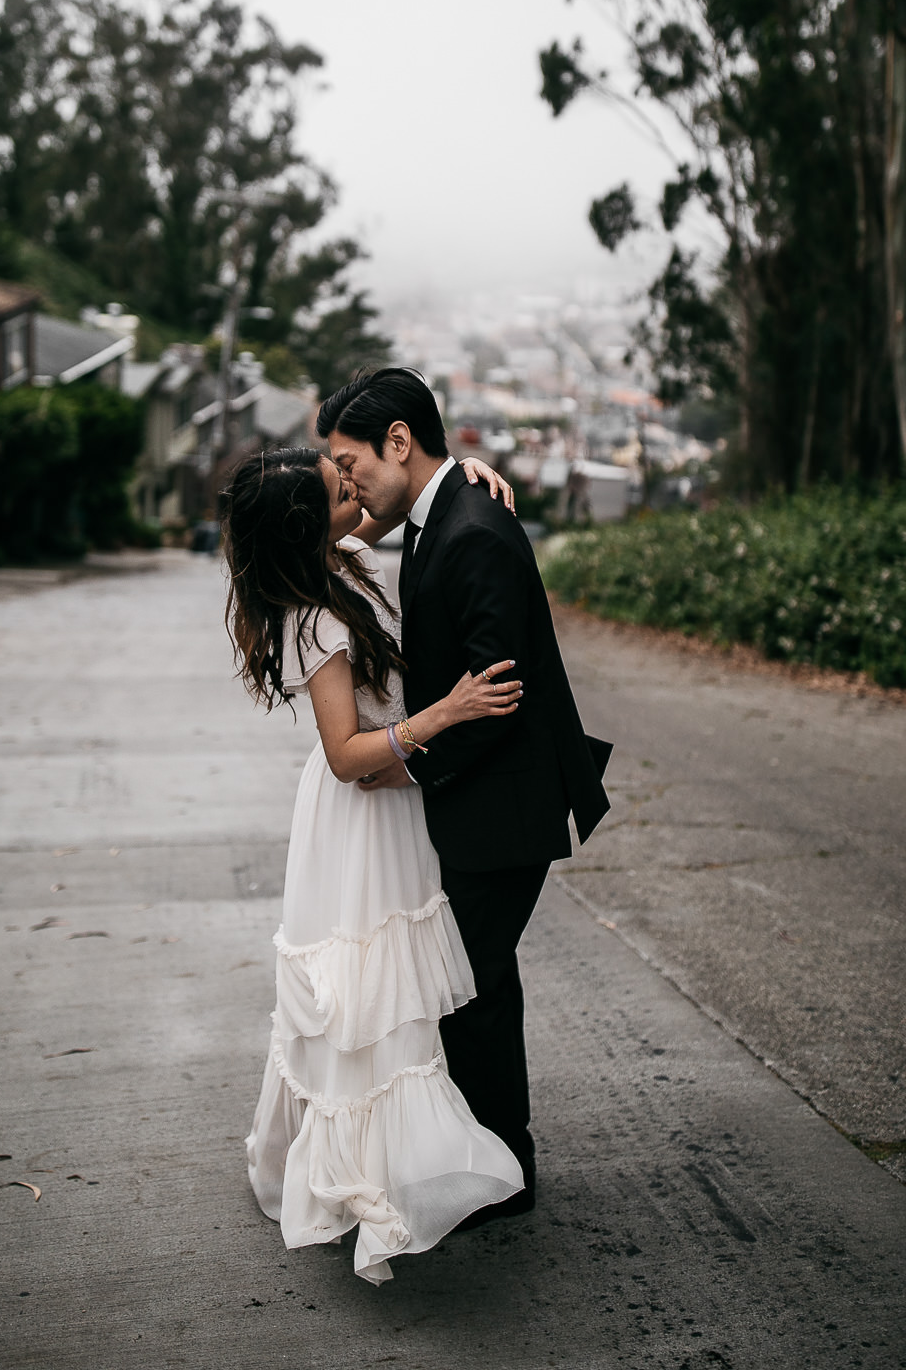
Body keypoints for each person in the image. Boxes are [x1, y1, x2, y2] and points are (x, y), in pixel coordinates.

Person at [222, 443, 528, 1284]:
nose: (351, 485)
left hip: (398, 809)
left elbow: (414, 493)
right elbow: (347, 753)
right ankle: (363, 1177)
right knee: (360, 1005)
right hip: (359, 818)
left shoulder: (351, 556)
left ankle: (403, 1158)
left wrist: (467, 467)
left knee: (393, 996)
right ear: (305, 529)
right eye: (334, 489)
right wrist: (448, 713)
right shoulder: (311, 616)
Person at [317, 367, 611, 1228]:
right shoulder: (439, 511)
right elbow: (360, 521)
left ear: (399, 441)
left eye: (351, 461)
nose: (347, 482)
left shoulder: (472, 527)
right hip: (478, 800)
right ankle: (502, 1159)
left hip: (505, 804)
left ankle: (497, 1172)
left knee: (465, 988)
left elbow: (499, 696)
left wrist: (406, 766)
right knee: (479, 983)